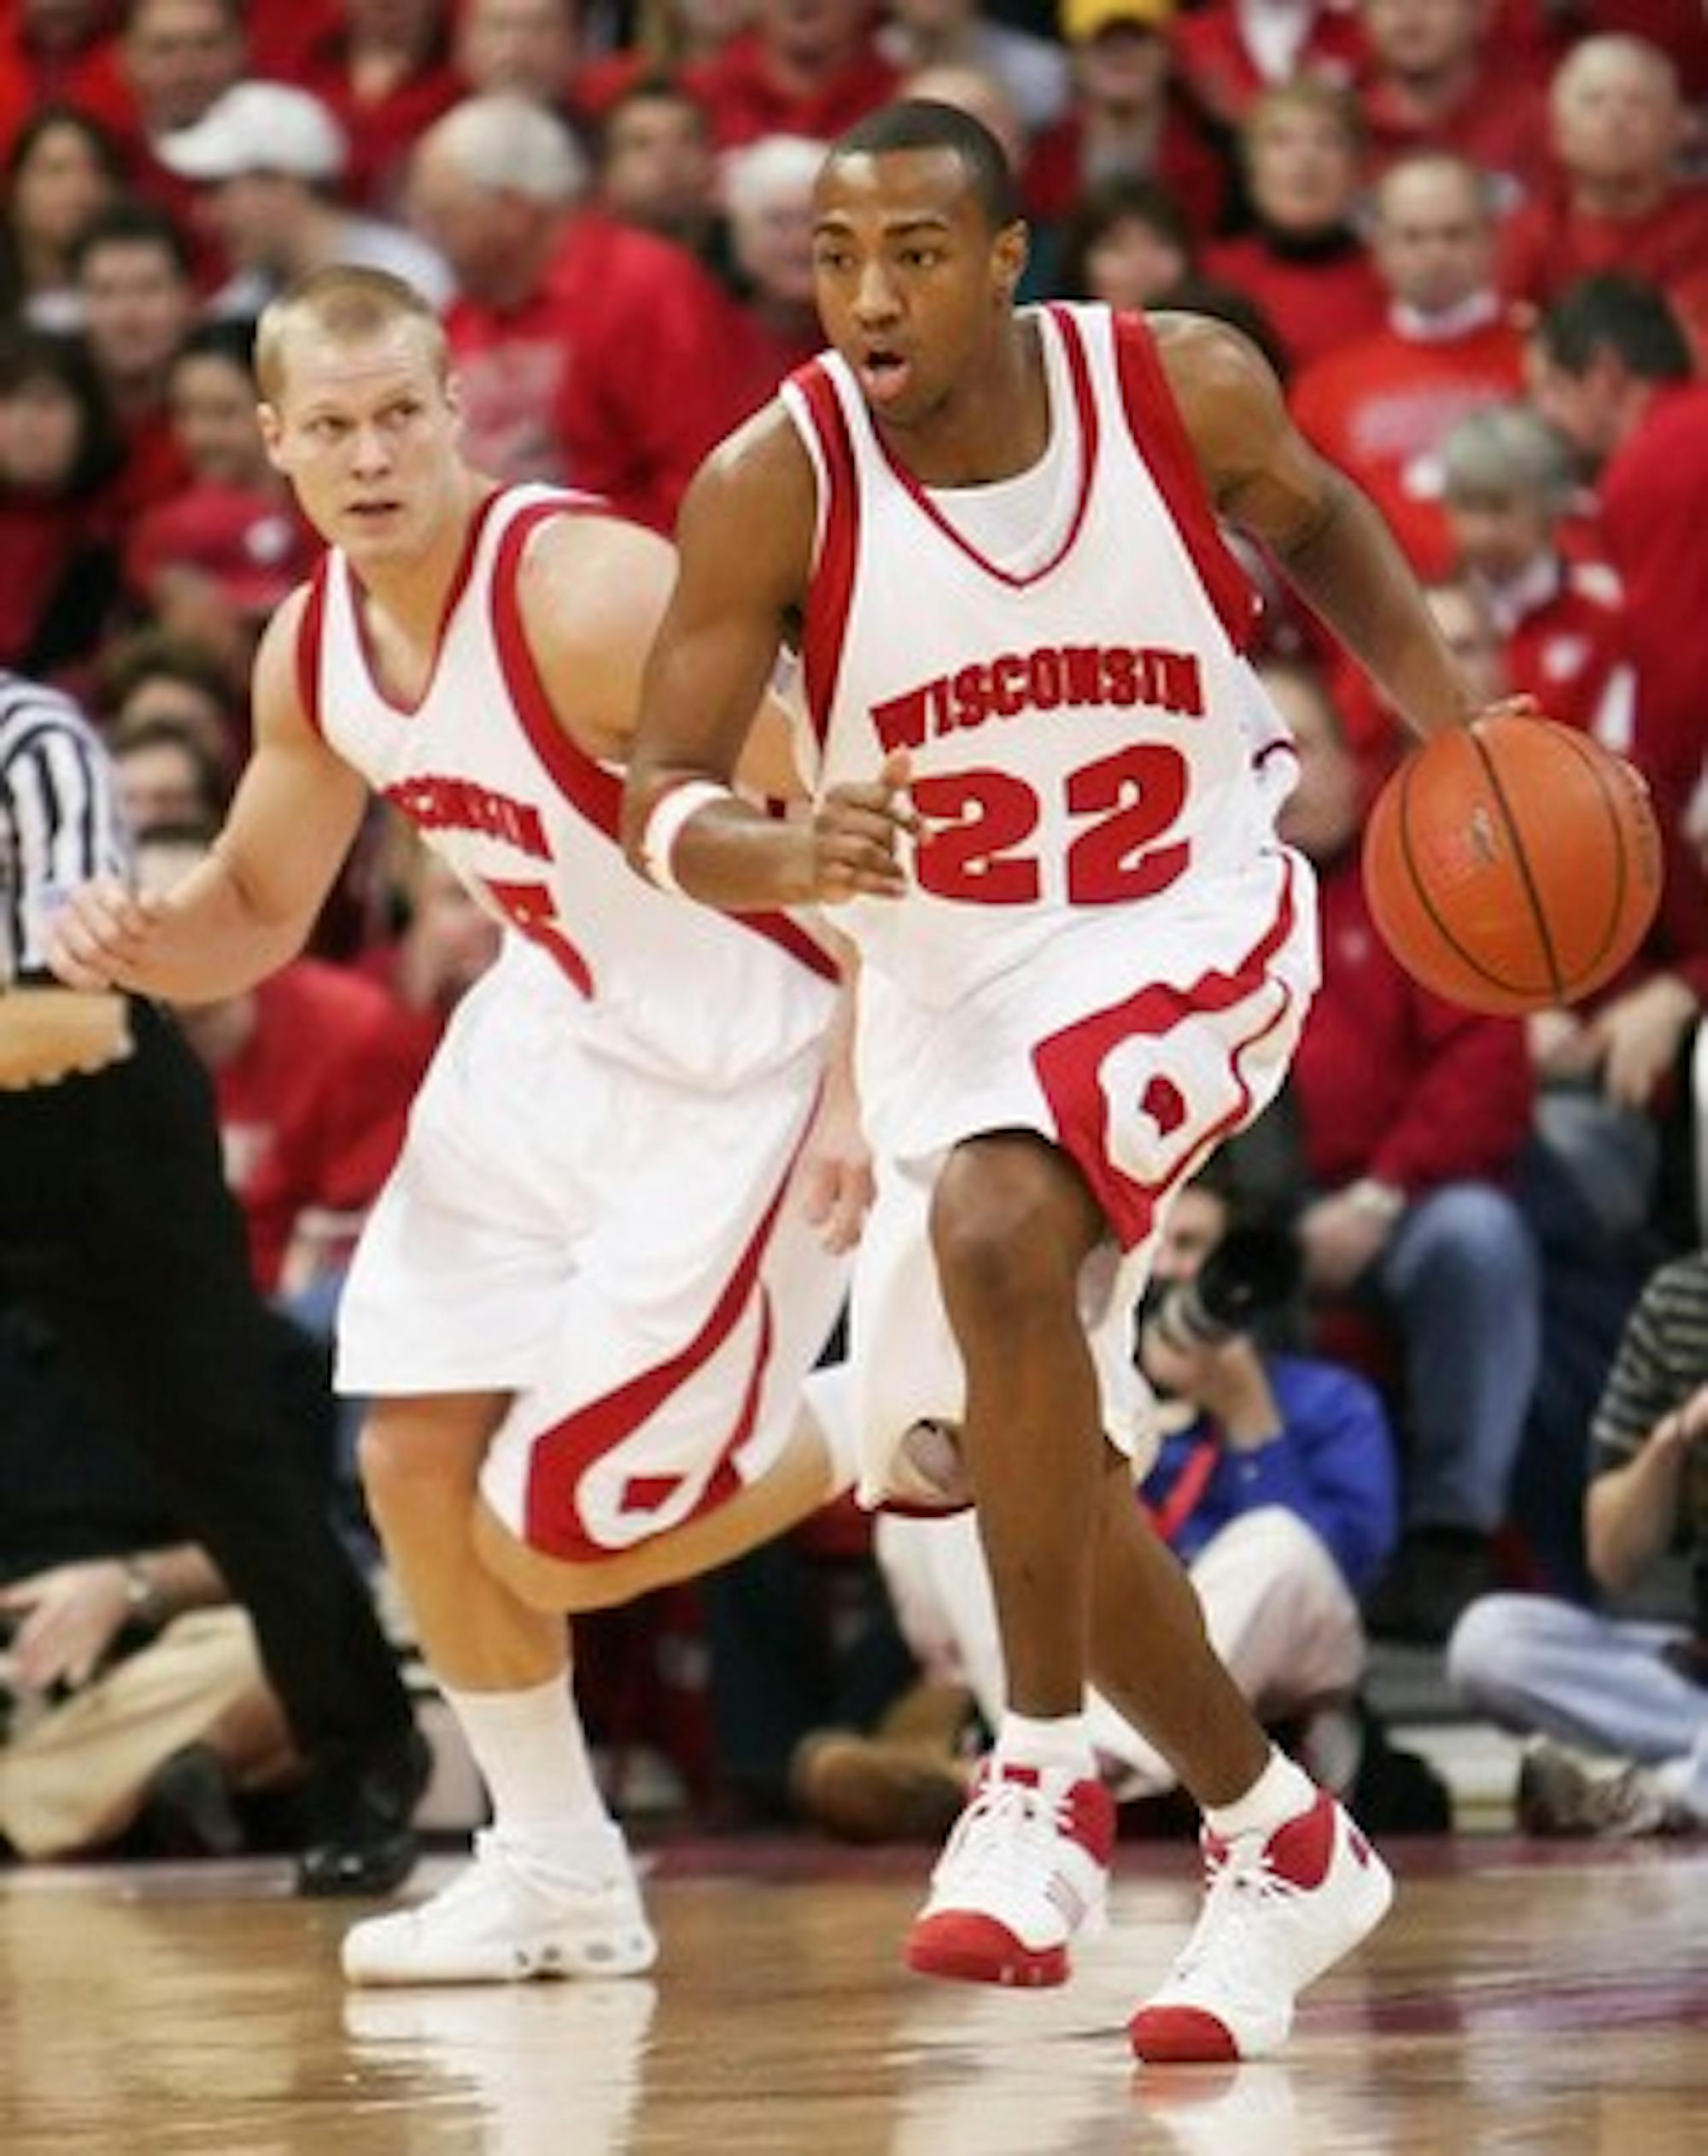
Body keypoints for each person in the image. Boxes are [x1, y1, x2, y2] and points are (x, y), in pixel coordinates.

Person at [624, 98, 1528, 2063]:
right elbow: (660, 796)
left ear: (1002, 260)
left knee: (996, 1226)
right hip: (946, 983)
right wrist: (767, 847)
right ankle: (1278, 1833)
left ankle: (1033, 1774)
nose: (868, 294)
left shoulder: (1171, 386)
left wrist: (1451, 727)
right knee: (1013, 1451)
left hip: (1189, 910)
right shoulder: (770, 482)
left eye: (912, 254)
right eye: (836, 257)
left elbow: (1322, 522)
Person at [49, 264, 869, 1988]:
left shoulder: (590, 591)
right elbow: (255, 905)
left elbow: (849, 828)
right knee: (410, 1459)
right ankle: (556, 1868)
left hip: (750, 1046)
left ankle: (900, 1413)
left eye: (398, 417)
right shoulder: (311, 648)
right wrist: (137, 941)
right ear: (273, 442)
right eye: (330, 428)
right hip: (552, 1029)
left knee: (560, 1526)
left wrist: (870, 1087)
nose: (370, 457)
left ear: (454, 411)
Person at [0, 664, 430, 1895]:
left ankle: (359, 1751)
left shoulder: (32, 738)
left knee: (223, 1453)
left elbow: (73, 971)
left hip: (85, 1110)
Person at [799, 1158, 1402, 1836]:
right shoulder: (1078, 1382)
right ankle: (1058, 1762)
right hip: (1093, 1660)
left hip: (1259, 1679)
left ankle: (1039, 1783)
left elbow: (1340, 1571)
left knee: (1280, 1544)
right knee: (971, 1475)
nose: (1171, 1268)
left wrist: (1251, 1424)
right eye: (1158, 1246)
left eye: (1192, 1247)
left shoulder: (1326, 1399)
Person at [1448, 1246, 1708, 1840]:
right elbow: (1613, 1561)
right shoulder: (1680, 1298)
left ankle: (1669, 1794)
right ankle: (1685, 1770)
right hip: (1693, 1670)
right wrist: (1677, 1437)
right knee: (1491, 1643)